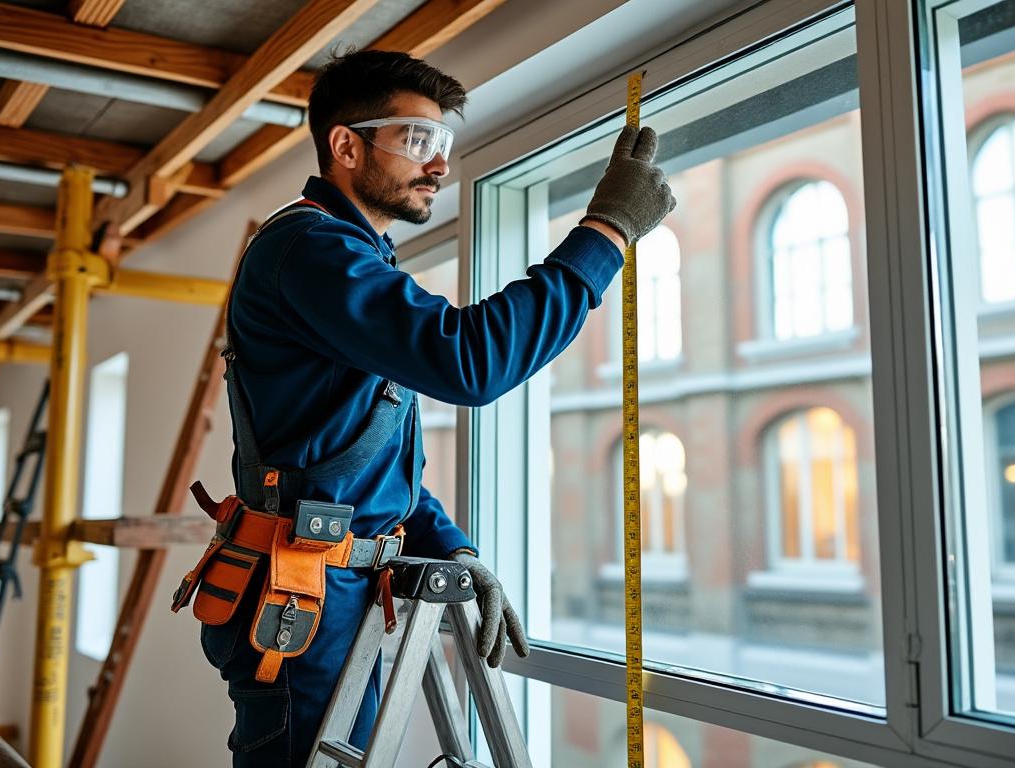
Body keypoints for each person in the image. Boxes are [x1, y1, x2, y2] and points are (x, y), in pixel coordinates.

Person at [198, 49, 675, 766]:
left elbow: (366, 464)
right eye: (417, 140)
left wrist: (450, 546)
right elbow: (468, 360)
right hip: (302, 601)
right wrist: (604, 235)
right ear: (346, 146)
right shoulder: (309, 249)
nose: (440, 165)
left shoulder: (356, 260)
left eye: (442, 143)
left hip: (334, 592)